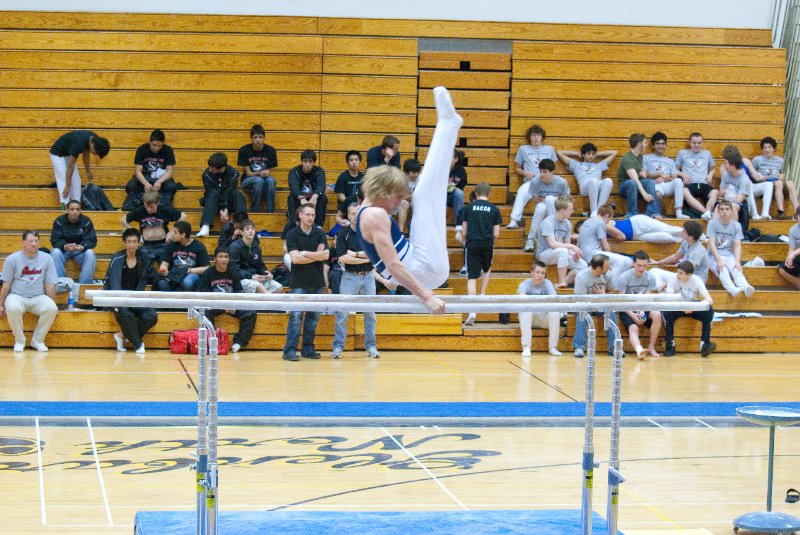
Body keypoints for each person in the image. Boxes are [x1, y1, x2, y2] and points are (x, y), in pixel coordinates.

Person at [355, 86, 463, 314]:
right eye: (396, 198)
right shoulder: (374, 216)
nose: (398, 204)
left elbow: (379, 178)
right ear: (382, 193)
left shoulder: (365, 207)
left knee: (424, 195)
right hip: (421, 268)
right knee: (424, 196)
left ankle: (448, 125)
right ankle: (447, 125)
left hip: (419, 266)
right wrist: (426, 296)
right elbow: (393, 265)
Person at [332, 202, 380, 359]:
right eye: (352, 213)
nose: (356, 216)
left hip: (368, 277)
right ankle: (338, 347)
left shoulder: (369, 233)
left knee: (370, 314)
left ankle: (371, 347)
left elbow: (375, 256)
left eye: (358, 213)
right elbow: (343, 257)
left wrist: (355, 255)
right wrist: (363, 258)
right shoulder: (343, 233)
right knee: (342, 314)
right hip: (349, 278)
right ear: (348, 215)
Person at [284, 204, 330, 360]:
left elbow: (325, 256)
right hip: (299, 282)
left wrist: (305, 253)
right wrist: (315, 254)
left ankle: (308, 349)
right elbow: (295, 259)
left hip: (317, 282)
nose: (310, 217)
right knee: (296, 316)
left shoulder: (320, 233)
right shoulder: (292, 234)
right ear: (300, 215)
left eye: (313, 215)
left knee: (313, 318)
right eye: (308, 214)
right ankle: (289, 350)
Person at [0, 231, 58, 352]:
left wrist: (53, 304)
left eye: (36, 241)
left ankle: (37, 340)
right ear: (23, 243)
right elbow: (6, 285)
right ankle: (20, 340)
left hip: (38, 296)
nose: (33, 244)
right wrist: (1, 304)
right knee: (12, 308)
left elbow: (49, 285)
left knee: (52, 308)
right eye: (30, 241)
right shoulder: (12, 259)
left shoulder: (47, 259)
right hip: (17, 295)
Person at [104, 228, 157, 354]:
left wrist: (135, 300)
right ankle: (138, 344)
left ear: (139, 243)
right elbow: (114, 284)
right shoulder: (117, 259)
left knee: (152, 316)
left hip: (134, 297)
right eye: (129, 242)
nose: (132, 245)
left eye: (135, 242)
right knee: (125, 312)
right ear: (124, 243)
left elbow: (143, 281)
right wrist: (123, 301)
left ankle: (122, 335)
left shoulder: (143, 257)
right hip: (118, 298)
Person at [198, 246, 256, 354]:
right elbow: (205, 298)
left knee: (250, 313)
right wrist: (223, 307)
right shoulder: (208, 274)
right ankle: (213, 341)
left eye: (226, 257)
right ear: (215, 259)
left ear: (229, 259)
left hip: (231, 304)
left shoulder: (233, 272)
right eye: (220, 257)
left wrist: (233, 304)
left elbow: (239, 294)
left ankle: (238, 343)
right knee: (204, 312)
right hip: (214, 305)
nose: (223, 259)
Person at [460, 182, 502, 326]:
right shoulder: (495, 209)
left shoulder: (468, 208)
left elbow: (464, 232)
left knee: (472, 277)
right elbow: (496, 234)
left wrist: (466, 240)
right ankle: (483, 293)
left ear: (475, 193)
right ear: (489, 194)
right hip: (487, 244)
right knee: (487, 267)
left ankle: (472, 311)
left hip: (472, 244)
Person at [122, 190, 187, 273]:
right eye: (146, 206)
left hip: (163, 245)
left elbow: (183, 217)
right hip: (146, 246)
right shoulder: (140, 211)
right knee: (143, 271)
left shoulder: (164, 210)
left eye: (152, 206)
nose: (149, 209)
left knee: (168, 270)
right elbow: (124, 220)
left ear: (158, 202)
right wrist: (136, 235)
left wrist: (172, 232)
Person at [507, 124, 557, 229]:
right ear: (529, 137)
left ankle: (554, 223)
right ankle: (514, 220)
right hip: (531, 182)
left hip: (546, 183)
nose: (536, 138)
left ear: (542, 137)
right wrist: (525, 173)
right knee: (521, 192)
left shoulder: (549, 149)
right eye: (533, 135)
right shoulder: (523, 149)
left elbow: (553, 169)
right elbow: (517, 168)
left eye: (538, 135)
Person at [663, 261, 716, 357]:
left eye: (681, 273)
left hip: (692, 307)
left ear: (689, 275)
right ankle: (670, 344)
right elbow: (669, 299)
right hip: (677, 306)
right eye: (677, 272)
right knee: (666, 312)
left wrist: (694, 307)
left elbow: (709, 300)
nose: (678, 275)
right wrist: (683, 306)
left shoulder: (696, 280)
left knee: (709, 310)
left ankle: (704, 343)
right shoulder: (672, 279)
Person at [615, 250, 662, 360]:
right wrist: (633, 315)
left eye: (644, 266)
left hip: (642, 305)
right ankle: (639, 349)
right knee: (634, 328)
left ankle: (651, 347)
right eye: (639, 265)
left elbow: (647, 297)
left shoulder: (650, 277)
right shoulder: (624, 277)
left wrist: (641, 310)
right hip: (627, 308)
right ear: (633, 264)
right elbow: (622, 301)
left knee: (657, 314)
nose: (641, 269)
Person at [49, 130, 110, 208]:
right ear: (93, 145)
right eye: (96, 152)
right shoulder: (78, 143)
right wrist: (67, 186)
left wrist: (88, 171)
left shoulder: (94, 139)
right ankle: (64, 206)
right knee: (64, 181)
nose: (95, 154)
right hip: (57, 154)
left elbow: (86, 155)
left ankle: (76, 206)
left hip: (68, 153)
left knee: (77, 181)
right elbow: (70, 166)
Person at [571, 254, 617, 358]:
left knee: (611, 311)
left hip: (601, 304)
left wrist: (603, 296)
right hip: (584, 305)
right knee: (582, 314)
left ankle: (614, 347)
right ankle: (579, 347)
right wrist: (596, 299)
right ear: (598, 268)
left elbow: (610, 292)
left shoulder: (608, 275)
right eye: (606, 266)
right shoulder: (581, 277)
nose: (608, 268)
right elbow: (580, 301)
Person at [707, 199, 754, 297]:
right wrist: (719, 260)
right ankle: (732, 289)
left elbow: (737, 245)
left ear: (731, 211)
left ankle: (745, 287)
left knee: (736, 268)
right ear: (718, 211)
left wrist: (737, 261)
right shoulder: (712, 223)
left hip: (728, 254)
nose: (724, 211)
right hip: (713, 256)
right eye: (722, 209)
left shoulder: (737, 226)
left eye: (727, 209)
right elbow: (711, 243)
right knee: (722, 268)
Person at [521, 159, 571, 252]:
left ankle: (555, 233)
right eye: (540, 171)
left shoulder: (561, 182)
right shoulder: (535, 181)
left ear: (552, 172)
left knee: (549, 199)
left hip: (558, 210)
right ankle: (530, 239)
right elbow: (535, 199)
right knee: (540, 207)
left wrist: (551, 199)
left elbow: (566, 201)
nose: (542, 174)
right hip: (543, 207)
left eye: (545, 172)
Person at [536, 196, 586, 287]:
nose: (573, 211)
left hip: (558, 252)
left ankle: (564, 283)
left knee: (583, 265)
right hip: (544, 254)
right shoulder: (548, 222)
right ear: (563, 210)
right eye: (570, 209)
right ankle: (561, 282)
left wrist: (573, 253)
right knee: (563, 251)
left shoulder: (567, 223)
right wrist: (572, 247)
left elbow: (566, 244)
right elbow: (553, 244)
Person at [556, 143, 616, 217]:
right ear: (583, 154)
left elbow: (614, 153)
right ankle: (594, 210)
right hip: (585, 187)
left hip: (596, 187)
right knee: (593, 180)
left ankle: (600, 210)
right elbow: (559, 152)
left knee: (608, 181)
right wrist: (577, 154)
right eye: (588, 153)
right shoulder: (576, 165)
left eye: (593, 154)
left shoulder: (599, 165)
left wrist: (597, 154)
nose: (591, 156)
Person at [577, 204, 632, 284]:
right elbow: (605, 245)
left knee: (614, 264)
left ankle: (607, 282)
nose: (608, 223)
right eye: (609, 220)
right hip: (593, 254)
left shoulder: (585, 222)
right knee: (626, 261)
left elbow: (579, 243)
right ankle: (609, 285)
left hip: (584, 256)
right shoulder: (600, 223)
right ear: (606, 216)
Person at [124, 129, 177, 210]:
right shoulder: (142, 149)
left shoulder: (168, 150)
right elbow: (138, 171)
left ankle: (164, 204)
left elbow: (170, 172)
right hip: (145, 176)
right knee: (131, 186)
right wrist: (145, 183)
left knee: (171, 187)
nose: (156, 148)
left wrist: (160, 181)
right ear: (150, 142)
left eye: (159, 146)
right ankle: (138, 201)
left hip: (161, 178)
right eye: (154, 145)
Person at [517, 261, 562, 358]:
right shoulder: (524, 284)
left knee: (555, 313)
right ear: (532, 272)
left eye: (543, 273)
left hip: (543, 318)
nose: (540, 275)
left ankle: (553, 347)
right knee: (525, 312)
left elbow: (553, 298)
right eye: (537, 272)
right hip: (529, 318)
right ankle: (526, 347)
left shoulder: (548, 283)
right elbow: (522, 298)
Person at [197, 152, 246, 237]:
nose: (210, 169)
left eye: (212, 167)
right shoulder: (206, 174)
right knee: (212, 193)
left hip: (228, 202)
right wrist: (221, 210)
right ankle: (205, 227)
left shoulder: (234, 174)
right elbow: (209, 191)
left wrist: (225, 208)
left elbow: (230, 191)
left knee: (237, 194)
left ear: (221, 167)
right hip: (212, 203)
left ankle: (243, 226)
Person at [50, 200, 97, 284]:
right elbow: (54, 239)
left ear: (80, 210)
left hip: (79, 251)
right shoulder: (59, 221)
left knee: (90, 253)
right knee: (55, 252)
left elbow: (92, 240)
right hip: (64, 250)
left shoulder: (86, 221)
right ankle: (61, 283)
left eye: (77, 209)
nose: (75, 212)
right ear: (67, 210)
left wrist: (82, 246)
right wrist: (64, 246)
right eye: (72, 209)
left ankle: (84, 285)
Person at [643, 132, 688, 219]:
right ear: (653, 146)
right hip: (653, 185)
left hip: (666, 185)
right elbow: (644, 175)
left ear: (665, 145)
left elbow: (674, 178)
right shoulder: (646, 158)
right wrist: (657, 175)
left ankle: (679, 212)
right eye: (658, 144)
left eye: (663, 144)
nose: (661, 146)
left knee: (678, 181)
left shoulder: (670, 161)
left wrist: (667, 179)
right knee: (658, 194)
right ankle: (659, 214)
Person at [155, 221, 210, 292]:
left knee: (188, 282)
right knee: (162, 283)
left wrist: (187, 271)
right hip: (174, 273)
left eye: (175, 232)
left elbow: (206, 268)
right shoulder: (171, 245)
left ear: (183, 235)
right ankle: (172, 303)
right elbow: (165, 263)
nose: (172, 234)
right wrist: (163, 268)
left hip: (191, 273)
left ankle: (187, 303)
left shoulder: (198, 246)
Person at [752, 136, 797, 219]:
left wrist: (783, 175)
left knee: (790, 183)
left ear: (774, 149)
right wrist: (758, 177)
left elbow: (784, 174)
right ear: (762, 149)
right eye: (764, 148)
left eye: (769, 147)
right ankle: (781, 212)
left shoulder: (780, 161)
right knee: (778, 183)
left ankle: (797, 212)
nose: (767, 150)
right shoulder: (757, 160)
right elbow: (751, 174)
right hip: (765, 185)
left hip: (777, 184)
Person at [676, 132, 717, 220]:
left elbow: (713, 169)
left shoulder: (707, 154)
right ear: (689, 142)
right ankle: (706, 213)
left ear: (702, 143)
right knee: (684, 191)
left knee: (715, 192)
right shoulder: (682, 153)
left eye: (699, 143)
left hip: (704, 183)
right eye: (694, 143)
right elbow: (674, 170)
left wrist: (710, 174)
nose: (697, 145)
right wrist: (682, 174)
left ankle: (708, 212)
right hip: (690, 183)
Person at [617, 133, 660, 217]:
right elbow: (635, 179)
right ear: (639, 144)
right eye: (645, 143)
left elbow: (642, 172)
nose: (646, 145)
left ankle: (653, 212)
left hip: (635, 185)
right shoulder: (627, 158)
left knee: (647, 181)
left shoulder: (640, 157)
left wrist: (643, 172)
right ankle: (632, 213)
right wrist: (644, 194)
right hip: (625, 187)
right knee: (632, 183)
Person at [238, 124, 278, 213]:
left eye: (260, 137)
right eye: (255, 137)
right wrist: (260, 173)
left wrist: (267, 173)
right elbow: (248, 173)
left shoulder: (271, 150)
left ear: (264, 138)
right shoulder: (244, 150)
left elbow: (268, 170)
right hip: (247, 181)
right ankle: (255, 210)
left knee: (271, 180)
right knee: (258, 180)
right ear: (251, 138)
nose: (258, 140)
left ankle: (270, 210)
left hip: (264, 179)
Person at [229, 219, 275, 293]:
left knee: (278, 287)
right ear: (241, 232)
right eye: (247, 229)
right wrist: (251, 276)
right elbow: (234, 270)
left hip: (255, 277)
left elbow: (260, 266)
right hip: (239, 280)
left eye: (253, 229)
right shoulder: (235, 247)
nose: (251, 231)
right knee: (259, 286)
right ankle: (273, 304)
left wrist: (266, 274)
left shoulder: (257, 248)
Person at [287, 149, 327, 228]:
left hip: (313, 198)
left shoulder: (319, 171)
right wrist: (301, 198)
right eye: (305, 161)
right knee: (291, 197)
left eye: (310, 161)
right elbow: (293, 188)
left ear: (314, 162)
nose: (308, 164)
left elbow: (321, 185)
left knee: (323, 198)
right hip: (300, 198)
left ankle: (319, 225)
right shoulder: (294, 171)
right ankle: (294, 224)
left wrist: (315, 196)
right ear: (301, 161)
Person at [716, 145, 752, 222]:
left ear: (732, 166)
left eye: (726, 163)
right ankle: (712, 232)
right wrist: (722, 192)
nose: (724, 166)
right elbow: (721, 193)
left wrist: (726, 204)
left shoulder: (744, 178)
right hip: (727, 200)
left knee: (732, 206)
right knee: (718, 207)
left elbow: (739, 200)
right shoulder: (726, 175)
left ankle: (733, 231)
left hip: (740, 205)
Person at [605, 214, 684, 244]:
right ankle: (684, 241)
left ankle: (690, 234)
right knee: (667, 238)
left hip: (637, 223)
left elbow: (622, 237)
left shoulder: (605, 225)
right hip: (635, 237)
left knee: (668, 229)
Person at [395, 158, 421, 232]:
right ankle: (401, 231)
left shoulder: (421, 178)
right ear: (406, 172)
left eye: (417, 172)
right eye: (413, 172)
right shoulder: (399, 179)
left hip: (413, 202)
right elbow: (395, 198)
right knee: (405, 203)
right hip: (399, 203)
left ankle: (416, 230)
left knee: (417, 203)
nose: (416, 175)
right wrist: (408, 196)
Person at [334, 150, 364, 214]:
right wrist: (352, 205)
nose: (354, 162)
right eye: (351, 160)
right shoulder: (342, 177)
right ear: (347, 162)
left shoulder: (364, 177)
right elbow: (341, 197)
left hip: (360, 207)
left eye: (356, 160)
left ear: (360, 162)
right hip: (346, 208)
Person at [777, 207, 800, 290]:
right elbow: (791, 248)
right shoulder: (793, 230)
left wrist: (793, 254)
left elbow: (794, 252)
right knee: (782, 269)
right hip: (798, 257)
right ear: (797, 216)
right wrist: (789, 258)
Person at [447, 149, 468, 225]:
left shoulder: (461, 171)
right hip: (440, 197)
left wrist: (452, 187)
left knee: (459, 193)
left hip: (452, 196)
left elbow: (461, 187)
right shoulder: (439, 169)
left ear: (456, 159)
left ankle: (459, 224)